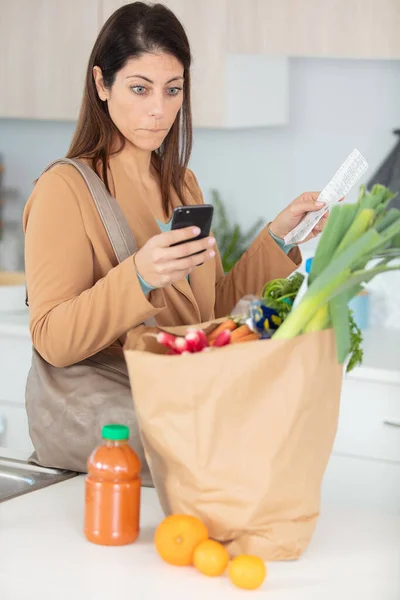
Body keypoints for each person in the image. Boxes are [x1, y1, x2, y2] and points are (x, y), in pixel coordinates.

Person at [23, 2, 327, 475]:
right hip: (108, 461)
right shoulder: (64, 190)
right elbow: (52, 340)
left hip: (182, 439)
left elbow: (208, 313)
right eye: (139, 89)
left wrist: (279, 235)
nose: (158, 109)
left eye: (173, 90)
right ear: (102, 85)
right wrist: (139, 277)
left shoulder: (181, 184)